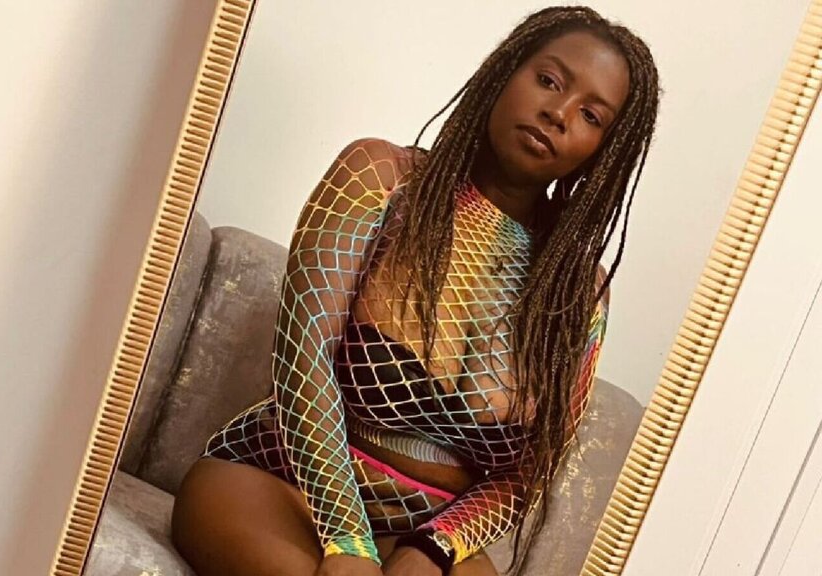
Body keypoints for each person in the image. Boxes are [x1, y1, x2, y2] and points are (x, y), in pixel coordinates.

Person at [171, 5, 661, 576]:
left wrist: (434, 547)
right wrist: (348, 542)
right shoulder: (381, 178)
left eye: (591, 115)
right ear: (505, 72)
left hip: (429, 535)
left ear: (605, 150)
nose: (558, 112)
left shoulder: (580, 293)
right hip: (279, 487)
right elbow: (302, 362)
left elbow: (527, 473)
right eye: (549, 80)